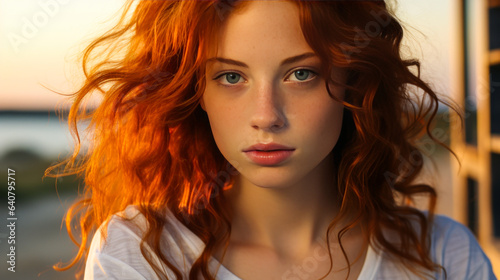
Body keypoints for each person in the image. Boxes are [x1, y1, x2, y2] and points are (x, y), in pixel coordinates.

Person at [46, 0, 496, 279]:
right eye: (230, 76)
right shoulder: (141, 254)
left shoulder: (443, 256)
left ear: (354, 82)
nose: (267, 116)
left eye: (301, 73)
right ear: (196, 91)